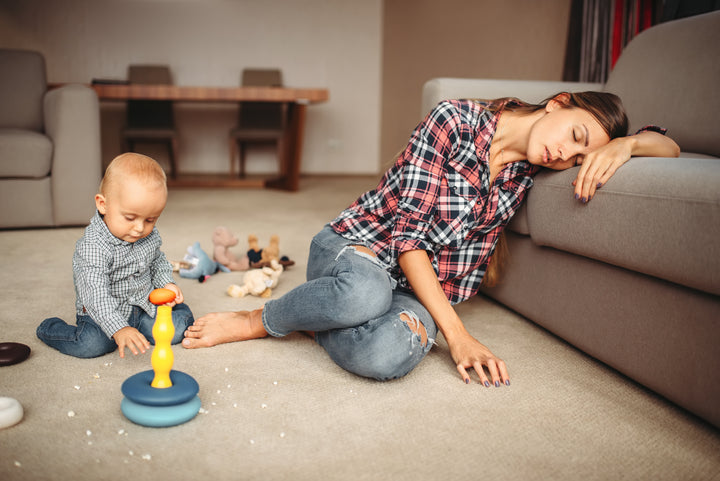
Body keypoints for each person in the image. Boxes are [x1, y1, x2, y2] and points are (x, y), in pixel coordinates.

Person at [182, 92, 679, 386]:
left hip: (418, 291)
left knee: (385, 357)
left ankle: (319, 319)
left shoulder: (527, 172)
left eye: (578, 158)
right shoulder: (455, 122)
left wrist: (628, 144)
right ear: (558, 103)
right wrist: (457, 336)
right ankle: (261, 318)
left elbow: (670, 144)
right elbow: (409, 243)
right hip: (358, 249)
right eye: (574, 136)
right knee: (365, 293)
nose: (563, 157)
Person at [37, 153, 194, 358]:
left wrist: (166, 284)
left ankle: (177, 312)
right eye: (130, 217)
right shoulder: (93, 247)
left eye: (150, 219)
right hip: (101, 314)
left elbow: (157, 262)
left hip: (143, 306)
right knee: (90, 345)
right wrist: (119, 328)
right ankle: (49, 328)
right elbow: (96, 295)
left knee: (178, 330)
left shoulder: (148, 236)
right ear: (103, 204)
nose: (139, 228)